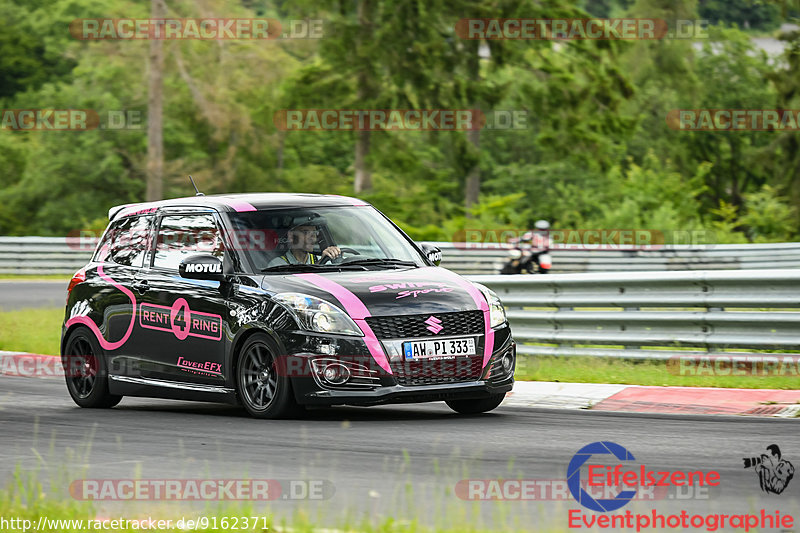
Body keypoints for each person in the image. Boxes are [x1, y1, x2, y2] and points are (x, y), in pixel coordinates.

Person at [267, 221, 341, 267]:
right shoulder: (278, 264)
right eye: (305, 232)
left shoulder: (322, 260)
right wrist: (319, 264)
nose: (312, 237)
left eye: (314, 232)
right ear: (291, 236)